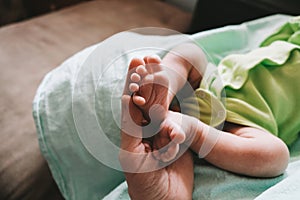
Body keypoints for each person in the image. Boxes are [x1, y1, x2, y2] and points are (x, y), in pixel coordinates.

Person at [119, 22, 300, 198]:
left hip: (249, 121)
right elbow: (268, 43)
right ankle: (164, 94)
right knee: (190, 52)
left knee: (275, 157)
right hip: (213, 82)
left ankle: (192, 133)